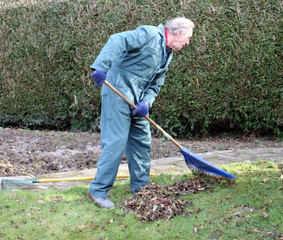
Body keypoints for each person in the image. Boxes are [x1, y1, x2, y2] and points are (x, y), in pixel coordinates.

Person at [88, 17, 195, 208]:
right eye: (187, 38)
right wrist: (101, 67)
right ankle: (98, 191)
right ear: (178, 33)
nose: (187, 42)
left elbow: (156, 83)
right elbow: (117, 40)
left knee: (142, 141)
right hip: (117, 90)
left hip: (137, 100)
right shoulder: (149, 34)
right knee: (116, 140)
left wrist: (146, 101)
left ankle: (141, 188)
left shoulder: (167, 53)